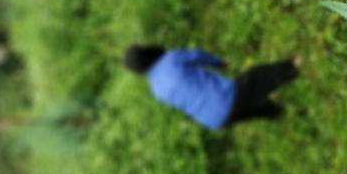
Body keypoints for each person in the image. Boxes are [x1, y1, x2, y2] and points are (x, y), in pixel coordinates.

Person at [123, 45, 300, 129]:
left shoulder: (156, 89)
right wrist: (219, 62)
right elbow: (197, 56)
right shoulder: (170, 59)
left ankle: (286, 115)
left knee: (258, 107)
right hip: (226, 98)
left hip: (213, 120)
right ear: (146, 50)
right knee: (258, 75)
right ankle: (297, 66)